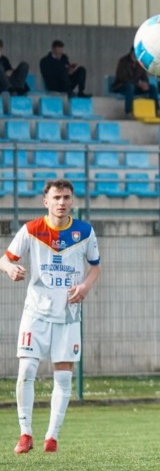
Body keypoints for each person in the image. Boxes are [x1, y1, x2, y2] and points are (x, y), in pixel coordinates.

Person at [3, 179, 101, 454]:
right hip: (35, 313)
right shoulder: (31, 229)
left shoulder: (84, 231)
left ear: (72, 201)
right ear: (46, 201)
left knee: (63, 377)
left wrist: (84, 287)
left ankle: (52, 437)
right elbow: (5, 258)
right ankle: (25, 434)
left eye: (66, 197)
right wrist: (10, 269)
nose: (61, 202)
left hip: (68, 315)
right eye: (56, 197)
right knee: (26, 371)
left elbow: (95, 267)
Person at [110, 49, 153, 115]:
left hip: (135, 87)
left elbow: (144, 77)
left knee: (152, 88)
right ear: (131, 53)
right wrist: (138, 84)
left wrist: (145, 84)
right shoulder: (123, 61)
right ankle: (128, 111)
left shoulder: (140, 63)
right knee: (130, 87)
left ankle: (156, 110)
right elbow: (122, 78)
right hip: (122, 86)